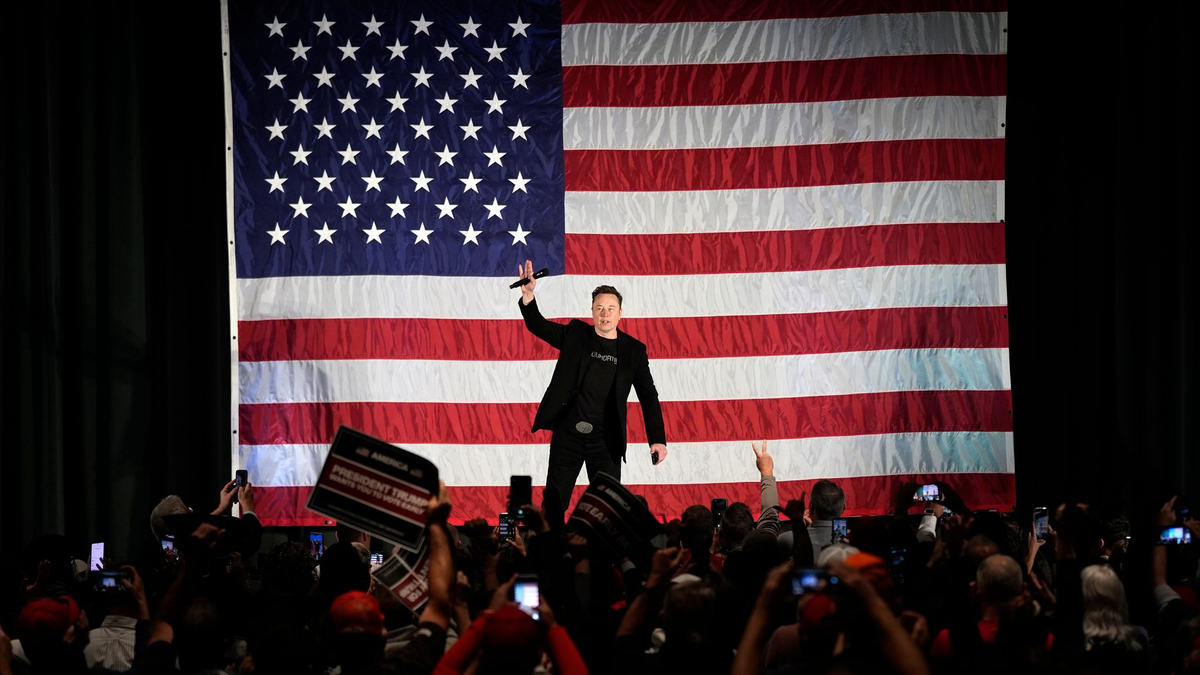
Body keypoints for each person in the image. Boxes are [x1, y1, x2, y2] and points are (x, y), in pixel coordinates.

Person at [515, 260, 668, 502]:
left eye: (610, 308)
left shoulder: (633, 351)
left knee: (607, 505)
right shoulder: (576, 334)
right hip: (568, 435)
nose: (605, 313)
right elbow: (539, 326)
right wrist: (529, 296)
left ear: (620, 313)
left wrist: (657, 439)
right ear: (592, 311)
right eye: (599, 308)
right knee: (554, 502)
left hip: (605, 441)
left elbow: (648, 396)